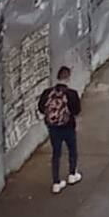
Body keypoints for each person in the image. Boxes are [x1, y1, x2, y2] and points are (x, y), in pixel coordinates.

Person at [38, 66, 82, 195]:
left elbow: (41, 108)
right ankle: (72, 175)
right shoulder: (71, 94)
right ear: (68, 78)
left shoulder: (47, 92)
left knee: (56, 154)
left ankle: (56, 183)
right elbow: (76, 111)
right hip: (68, 127)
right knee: (72, 150)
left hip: (53, 129)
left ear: (57, 78)